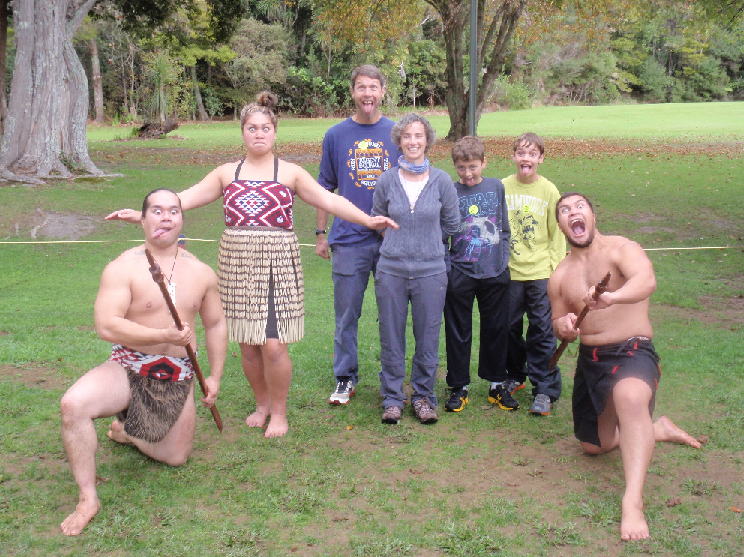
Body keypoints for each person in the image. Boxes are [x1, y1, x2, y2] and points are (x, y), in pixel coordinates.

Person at [107, 92, 397, 439]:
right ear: (242, 133)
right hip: (237, 262)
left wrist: (368, 220)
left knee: (273, 345)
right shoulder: (226, 173)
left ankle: (279, 412)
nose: (259, 134)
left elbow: (330, 200)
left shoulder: (290, 173)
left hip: (277, 261)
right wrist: (143, 215)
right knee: (247, 344)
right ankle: (261, 404)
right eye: (251, 128)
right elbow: (179, 201)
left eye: (265, 128)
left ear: (275, 132)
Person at [60, 189, 227, 536]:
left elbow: (215, 324)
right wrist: (162, 334)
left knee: (176, 457)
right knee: (73, 404)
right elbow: (107, 325)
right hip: (128, 363)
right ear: (144, 218)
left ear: (182, 219)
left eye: (173, 211)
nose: (165, 217)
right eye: (157, 210)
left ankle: (126, 432)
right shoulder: (124, 266)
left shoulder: (201, 272)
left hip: (178, 372)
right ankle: (88, 498)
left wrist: (215, 375)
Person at [548, 192, 701, 542]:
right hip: (591, 362)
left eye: (579, 206)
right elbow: (557, 321)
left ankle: (632, 502)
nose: (573, 213)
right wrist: (565, 326)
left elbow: (646, 281)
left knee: (630, 398)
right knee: (594, 446)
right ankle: (656, 429)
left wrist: (611, 297)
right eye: (564, 210)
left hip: (633, 350)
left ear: (592, 214)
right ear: (560, 225)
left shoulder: (622, 249)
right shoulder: (560, 275)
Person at [315, 65, 399, 406]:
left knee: (391, 313)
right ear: (352, 92)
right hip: (348, 240)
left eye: (374, 87)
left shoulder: (397, 133)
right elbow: (324, 188)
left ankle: (391, 381)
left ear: (382, 91)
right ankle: (345, 378)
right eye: (361, 87)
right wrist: (321, 232)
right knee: (347, 314)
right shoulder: (336, 135)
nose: (368, 93)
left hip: (391, 241)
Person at [371, 114, 459, 425]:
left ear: (427, 140)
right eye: (407, 135)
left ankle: (423, 398)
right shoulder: (386, 180)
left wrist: (427, 242)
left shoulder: (441, 181)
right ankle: (393, 398)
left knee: (428, 338)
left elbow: (451, 223)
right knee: (391, 337)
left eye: (418, 135)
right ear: (399, 140)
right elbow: (378, 220)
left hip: (431, 271)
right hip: (391, 271)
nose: (412, 141)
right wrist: (399, 242)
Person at [443, 136, 515, 413]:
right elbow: (443, 231)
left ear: (484, 162)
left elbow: (504, 227)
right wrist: (449, 266)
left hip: (494, 271)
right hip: (460, 270)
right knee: (458, 331)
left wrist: (502, 257)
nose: (468, 174)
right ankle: (459, 387)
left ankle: (497, 384)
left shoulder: (496, 186)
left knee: (497, 329)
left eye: (473, 166)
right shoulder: (450, 190)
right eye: (461, 168)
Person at [502, 132, 566, 415]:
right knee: (509, 327)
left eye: (532, 154)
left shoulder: (549, 191)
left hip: (541, 272)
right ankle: (515, 374)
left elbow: (557, 235)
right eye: (520, 153)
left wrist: (554, 272)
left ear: (541, 158)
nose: (525, 158)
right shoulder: (501, 187)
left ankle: (544, 387)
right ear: (513, 156)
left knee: (542, 330)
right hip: (510, 272)